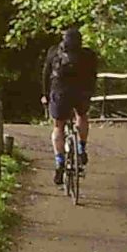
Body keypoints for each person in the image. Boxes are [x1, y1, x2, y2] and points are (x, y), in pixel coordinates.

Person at [42, 27, 100, 187]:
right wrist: (90, 93)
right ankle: (81, 148)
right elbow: (94, 75)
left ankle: (59, 161)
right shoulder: (88, 55)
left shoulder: (54, 52)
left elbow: (46, 74)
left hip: (59, 92)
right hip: (81, 92)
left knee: (58, 126)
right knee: (81, 116)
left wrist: (45, 95)